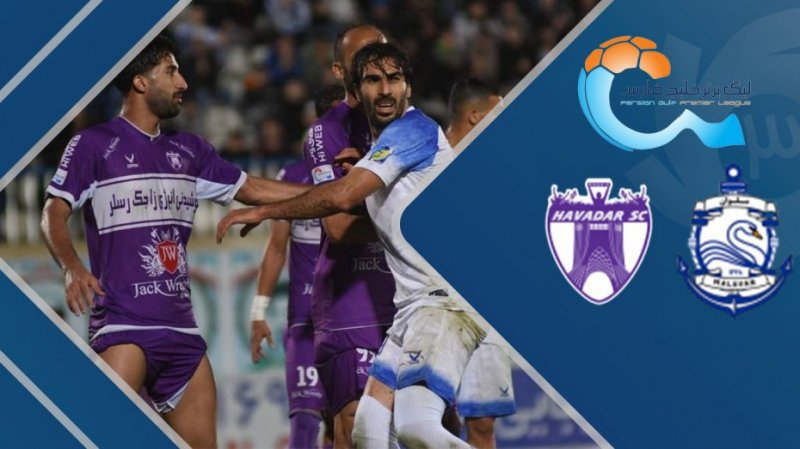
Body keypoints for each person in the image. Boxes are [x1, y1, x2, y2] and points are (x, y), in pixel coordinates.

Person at [40, 35, 307, 449]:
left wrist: (335, 194)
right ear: (140, 82)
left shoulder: (190, 149)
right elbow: (53, 213)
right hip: (124, 327)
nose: (183, 82)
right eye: (171, 72)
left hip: (183, 334)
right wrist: (72, 267)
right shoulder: (94, 145)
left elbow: (253, 188)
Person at [217, 42, 484, 449]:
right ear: (357, 91)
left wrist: (266, 211)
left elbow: (341, 198)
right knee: (367, 431)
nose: (386, 90)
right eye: (374, 80)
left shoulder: (414, 130)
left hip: (444, 302)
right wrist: (360, 164)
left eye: (394, 79)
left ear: (408, 88)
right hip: (411, 309)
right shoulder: (379, 149)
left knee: (417, 426)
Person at [299, 25, 397, 449]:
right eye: (365, 58)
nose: (377, 65)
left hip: (407, 296)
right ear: (341, 71)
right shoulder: (328, 132)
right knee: (356, 426)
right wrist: (406, 216)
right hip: (351, 299)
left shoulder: (410, 127)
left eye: (384, 54)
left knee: (428, 422)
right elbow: (338, 227)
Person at [248, 85, 343, 449]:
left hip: (350, 319)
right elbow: (276, 248)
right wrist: (259, 311)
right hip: (305, 321)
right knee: (305, 423)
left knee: (345, 426)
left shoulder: (361, 176)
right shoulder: (292, 176)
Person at [447, 78, 516, 449]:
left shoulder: (498, 169)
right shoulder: (426, 161)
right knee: (431, 421)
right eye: (497, 113)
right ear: (475, 116)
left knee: (482, 423)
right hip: (432, 310)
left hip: (486, 312)